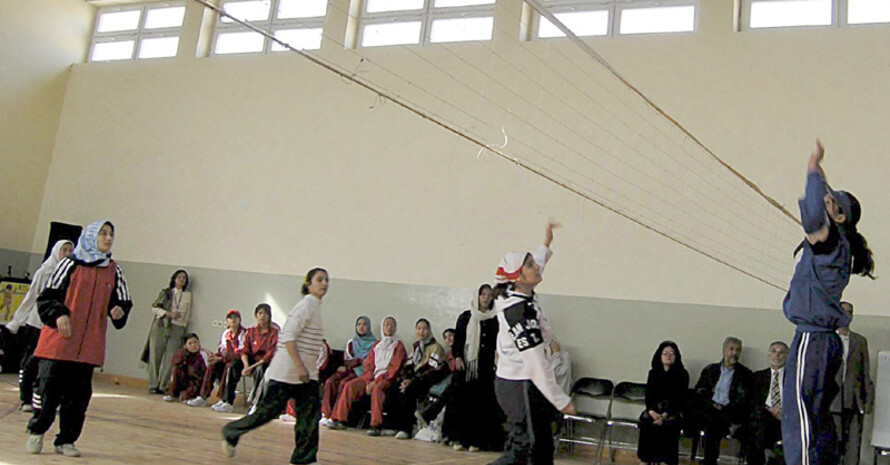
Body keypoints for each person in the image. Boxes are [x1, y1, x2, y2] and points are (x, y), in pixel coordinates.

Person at [782, 141, 875, 465]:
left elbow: (811, 212)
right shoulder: (842, 242)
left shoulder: (828, 238)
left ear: (838, 215)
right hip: (825, 342)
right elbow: (822, 197)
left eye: (830, 202)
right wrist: (820, 172)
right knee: (818, 420)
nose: (824, 200)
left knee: (799, 419)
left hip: (813, 340)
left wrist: (811, 168)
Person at [26, 220, 132, 457]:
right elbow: (47, 298)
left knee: (78, 399)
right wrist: (59, 314)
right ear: (91, 236)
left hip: (88, 346)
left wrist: (119, 310)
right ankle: (37, 430)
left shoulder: (115, 270)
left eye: (111, 234)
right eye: (103, 234)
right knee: (48, 392)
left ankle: (66, 440)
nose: (108, 238)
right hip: (59, 343)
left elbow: (123, 301)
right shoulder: (69, 264)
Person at [221, 268, 327, 465]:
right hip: (287, 373)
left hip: (305, 376)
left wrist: (307, 370)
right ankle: (231, 431)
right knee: (266, 413)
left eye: (326, 280)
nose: (324, 283)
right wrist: (299, 366)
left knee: (309, 417)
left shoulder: (315, 306)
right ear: (308, 284)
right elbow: (288, 337)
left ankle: (304, 459)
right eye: (319, 279)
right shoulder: (306, 306)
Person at [491, 222, 575, 465]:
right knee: (524, 451)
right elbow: (535, 361)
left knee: (542, 449)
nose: (537, 267)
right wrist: (560, 399)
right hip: (519, 385)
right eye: (530, 266)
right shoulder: (518, 311)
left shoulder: (519, 292)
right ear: (517, 277)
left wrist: (546, 243)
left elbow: (538, 262)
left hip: (529, 384)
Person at [5, 239, 73, 412]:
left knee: (51, 366)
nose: (67, 254)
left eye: (70, 251)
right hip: (36, 323)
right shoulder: (44, 272)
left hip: (55, 326)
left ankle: (46, 400)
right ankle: (25, 398)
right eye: (64, 250)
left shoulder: (71, 274)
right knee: (31, 362)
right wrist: (16, 321)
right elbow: (31, 297)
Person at [442, 283, 504, 452]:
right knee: (463, 404)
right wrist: (458, 356)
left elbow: (497, 342)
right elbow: (459, 340)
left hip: (485, 368)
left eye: (489, 295)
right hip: (467, 367)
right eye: (483, 294)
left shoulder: (495, 319)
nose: (486, 298)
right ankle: (459, 438)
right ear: (477, 296)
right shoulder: (466, 317)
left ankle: (478, 441)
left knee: (481, 405)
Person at [327, 316, 407, 435]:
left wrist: (376, 380)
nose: (388, 327)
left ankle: (376, 425)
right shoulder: (377, 345)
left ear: (395, 328)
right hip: (371, 376)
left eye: (391, 325)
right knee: (350, 385)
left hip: (386, 378)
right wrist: (369, 379)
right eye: (386, 324)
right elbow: (369, 364)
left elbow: (393, 368)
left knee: (377, 390)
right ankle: (340, 419)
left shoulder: (398, 346)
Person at [693, 337, 752, 465]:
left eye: (738, 350)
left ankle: (709, 462)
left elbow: (745, 400)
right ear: (724, 350)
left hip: (730, 412)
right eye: (731, 349)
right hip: (709, 409)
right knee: (712, 419)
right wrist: (712, 404)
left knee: (715, 423)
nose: (734, 353)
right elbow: (699, 392)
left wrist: (725, 409)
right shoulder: (710, 370)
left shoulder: (745, 374)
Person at [386, 318, 448, 439]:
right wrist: (404, 379)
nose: (421, 331)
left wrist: (411, 380)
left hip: (428, 380)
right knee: (393, 388)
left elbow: (430, 368)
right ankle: (393, 426)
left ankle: (407, 428)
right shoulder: (415, 347)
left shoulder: (436, 347)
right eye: (419, 328)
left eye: (424, 328)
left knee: (409, 390)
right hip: (414, 378)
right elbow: (409, 365)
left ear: (429, 331)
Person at [831, 301, 874, 465]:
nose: (846, 315)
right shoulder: (827, 338)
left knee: (852, 446)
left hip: (853, 400)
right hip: (831, 400)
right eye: (843, 311)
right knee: (833, 443)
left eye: (850, 312)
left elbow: (865, 371)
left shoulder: (859, 340)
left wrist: (868, 401)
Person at [637, 341, 689, 465]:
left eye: (672, 353)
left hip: (673, 411)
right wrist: (652, 412)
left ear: (677, 357)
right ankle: (646, 460)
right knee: (647, 422)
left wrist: (664, 415)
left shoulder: (682, 374)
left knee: (668, 425)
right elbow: (649, 396)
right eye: (665, 353)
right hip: (654, 410)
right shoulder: (653, 373)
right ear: (659, 356)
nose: (668, 356)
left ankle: (665, 461)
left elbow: (679, 399)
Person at [320, 315, 377, 425]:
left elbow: (368, 363)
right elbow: (348, 360)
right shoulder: (352, 342)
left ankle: (336, 417)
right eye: (359, 324)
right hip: (351, 370)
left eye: (364, 324)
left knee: (344, 383)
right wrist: (356, 362)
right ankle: (325, 414)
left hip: (362, 373)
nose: (361, 327)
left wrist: (358, 362)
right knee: (330, 381)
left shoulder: (374, 344)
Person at [188, 309, 245, 410]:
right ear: (227, 321)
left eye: (235, 318)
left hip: (239, 362)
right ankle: (203, 397)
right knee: (213, 365)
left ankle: (227, 401)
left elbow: (240, 353)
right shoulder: (225, 334)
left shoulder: (243, 334)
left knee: (230, 367)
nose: (233, 320)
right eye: (230, 318)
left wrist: (221, 358)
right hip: (225, 360)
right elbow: (221, 351)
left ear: (239, 320)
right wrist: (214, 357)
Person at [146, 269, 192, 395]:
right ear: (174, 279)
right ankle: (153, 384)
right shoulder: (166, 292)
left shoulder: (188, 295)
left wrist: (184, 328)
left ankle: (163, 385)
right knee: (156, 355)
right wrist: (168, 314)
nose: (181, 279)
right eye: (179, 277)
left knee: (171, 357)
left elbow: (187, 314)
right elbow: (154, 308)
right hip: (162, 325)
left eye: (184, 278)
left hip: (178, 327)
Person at [746, 341, 788, 465]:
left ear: (787, 356)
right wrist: (769, 409)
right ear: (769, 355)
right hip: (764, 416)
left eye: (781, 353)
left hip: (785, 417)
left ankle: (768, 453)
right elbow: (751, 400)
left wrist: (783, 411)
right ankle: (767, 453)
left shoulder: (793, 377)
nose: (777, 355)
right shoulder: (758, 376)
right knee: (759, 419)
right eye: (774, 351)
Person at [240, 303, 279, 409]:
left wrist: (250, 368)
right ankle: (226, 401)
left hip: (265, 363)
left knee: (260, 370)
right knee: (232, 366)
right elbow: (244, 350)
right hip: (251, 362)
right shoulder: (251, 331)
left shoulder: (274, 332)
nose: (263, 316)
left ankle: (255, 401)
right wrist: (246, 366)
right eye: (260, 313)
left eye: (266, 314)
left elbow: (269, 355)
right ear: (256, 315)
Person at [164, 333, 213, 403]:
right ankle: (172, 394)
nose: (193, 345)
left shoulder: (203, 355)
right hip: (184, 382)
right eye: (190, 343)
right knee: (175, 369)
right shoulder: (182, 354)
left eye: (196, 342)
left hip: (195, 384)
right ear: (185, 346)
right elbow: (175, 363)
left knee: (184, 396)